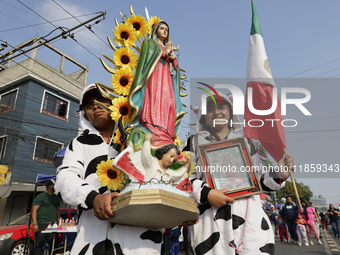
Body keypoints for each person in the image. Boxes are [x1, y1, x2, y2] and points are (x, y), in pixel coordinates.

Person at [55, 84, 164, 255]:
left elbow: (164, 172)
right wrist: (93, 198)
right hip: (91, 237)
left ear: (114, 104)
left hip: (140, 236)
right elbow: (64, 178)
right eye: (89, 105)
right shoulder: (78, 143)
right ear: (84, 114)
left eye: (101, 100)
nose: (96, 106)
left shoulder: (138, 137)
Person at [183, 93, 295, 255]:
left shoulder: (247, 143)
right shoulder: (193, 143)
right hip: (211, 223)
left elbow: (259, 179)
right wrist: (207, 193)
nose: (217, 112)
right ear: (202, 115)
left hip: (250, 221)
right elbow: (182, 177)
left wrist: (280, 173)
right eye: (210, 109)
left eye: (222, 107)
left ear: (230, 112)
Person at [128, 21, 185, 149]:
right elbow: (150, 56)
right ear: (155, 30)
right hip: (154, 79)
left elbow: (175, 69)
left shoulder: (167, 48)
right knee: (155, 101)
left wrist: (172, 56)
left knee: (169, 103)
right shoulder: (149, 43)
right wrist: (166, 52)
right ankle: (152, 127)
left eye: (167, 29)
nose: (165, 31)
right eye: (162, 28)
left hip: (167, 81)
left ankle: (165, 132)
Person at [31, 179, 60, 255]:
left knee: (54, 245)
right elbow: (34, 210)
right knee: (39, 245)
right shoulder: (41, 196)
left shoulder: (56, 197)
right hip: (42, 224)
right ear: (50, 186)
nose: (56, 186)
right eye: (54, 185)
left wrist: (59, 221)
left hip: (53, 225)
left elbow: (57, 209)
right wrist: (35, 224)